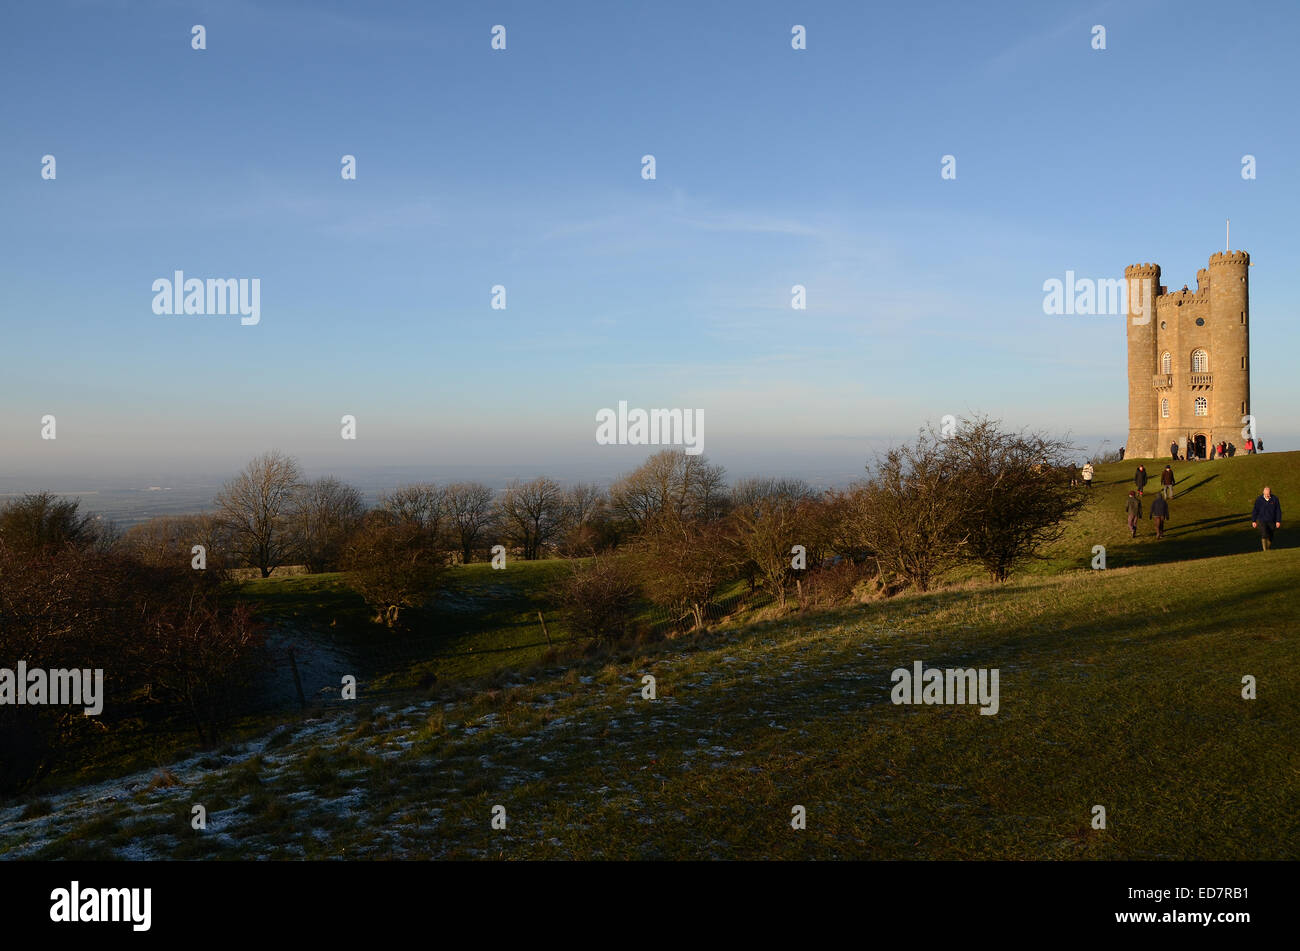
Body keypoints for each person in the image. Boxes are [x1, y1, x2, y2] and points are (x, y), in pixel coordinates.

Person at [1251, 486, 1281, 551]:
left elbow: (1278, 511)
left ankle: (1268, 548)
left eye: (1269, 493)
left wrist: (1278, 521)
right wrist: (1254, 521)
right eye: (1266, 494)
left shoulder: (1275, 499)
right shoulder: (1259, 500)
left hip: (1272, 520)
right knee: (1264, 534)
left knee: (1271, 535)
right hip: (1262, 520)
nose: (1267, 495)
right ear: (1263, 493)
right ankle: (1265, 550)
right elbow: (1255, 510)